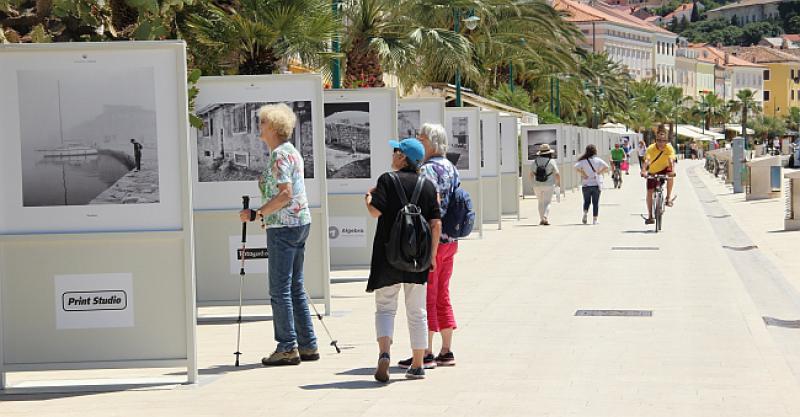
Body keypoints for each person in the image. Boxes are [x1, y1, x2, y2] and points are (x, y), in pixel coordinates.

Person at [239, 103, 317, 366]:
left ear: (272, 127)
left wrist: (258, 213)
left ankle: (287, 347)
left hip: (284, 226)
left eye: (261, 123)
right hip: (299, 222)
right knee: (295, 286)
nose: (259, 127)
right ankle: (307, 345)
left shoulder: (279, 156)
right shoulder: (291, 152)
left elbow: (285, 194)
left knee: (279, 289)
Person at [365, 138, 442, 382]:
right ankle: (418, 364)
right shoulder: (429, 185)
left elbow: (375, 211)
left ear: (402, 157)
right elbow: (436, 223)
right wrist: (432, 257)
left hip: (388, 256)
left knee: (385, 308)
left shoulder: (387, 180)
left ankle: (384, 353)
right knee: (417, 311)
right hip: (418, 258)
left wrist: (368, 197)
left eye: (395, 150)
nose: (393, 154)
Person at [411, 123, 461, 370]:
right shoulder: (451, 168)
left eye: (420, 138)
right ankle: (446, 349)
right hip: (451, 241)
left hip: (432, 241)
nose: (418, 142)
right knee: (443, 293)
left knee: (427, 295)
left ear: (430, 142)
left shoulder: (427, 170)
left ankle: (427, 351)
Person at [641, 125, 677, 225]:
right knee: (649, 192)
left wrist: (672, 170)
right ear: (655, 140)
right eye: (659, 140)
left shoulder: (669, 148)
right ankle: (650, 216)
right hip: (653, 171)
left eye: (663, 140)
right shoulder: (651, 148)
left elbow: (671, 160)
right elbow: (647, 160)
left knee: (670, 175)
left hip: (665, 169)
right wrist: (644, 170)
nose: (661, 143)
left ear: (666, 141)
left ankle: (668, 197)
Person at [575, 144, 609, 225]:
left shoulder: (583, 161)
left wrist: (583, 174)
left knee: (586, 201)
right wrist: (599, 173)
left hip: (585, 185)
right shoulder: (598, 160)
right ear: (595, 151)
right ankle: (595, 220)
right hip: (596, 184)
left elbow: (575, 167)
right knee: (595, 203)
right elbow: (606, 167)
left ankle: (585, 214)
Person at [528, 143, 560, 225]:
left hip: (537, 185)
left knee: (540, 202)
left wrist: (532, 184)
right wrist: (557, 183)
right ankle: (545, 217)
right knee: (547, 202)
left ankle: (541, 219)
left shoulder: (535, 162)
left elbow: (531, 174)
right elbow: (557, 174)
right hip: (549, 185)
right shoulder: (551, 161)